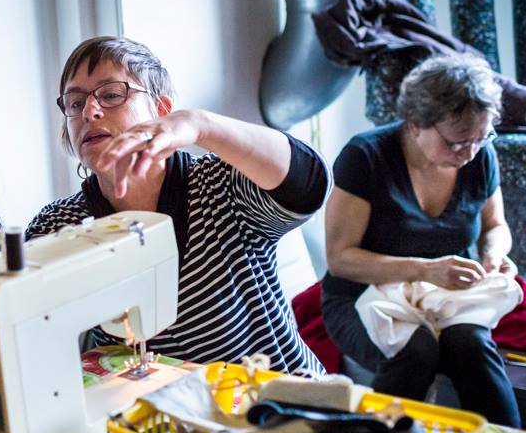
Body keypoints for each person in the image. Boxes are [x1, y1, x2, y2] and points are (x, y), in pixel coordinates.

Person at [26, 36, 328, 374]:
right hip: (161, 422)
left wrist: (200, 125)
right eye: (75, 102)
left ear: (162, 110)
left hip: (284, 407)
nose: (89, 112)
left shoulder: (221, 186)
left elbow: (309, 184)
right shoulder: (59, 226)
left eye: (111, 95)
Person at [322, 55, 521, 425]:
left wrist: (494, 252)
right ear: (415, 125)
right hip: (360, 294)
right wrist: (426, 270)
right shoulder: (365, 157)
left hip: (446, 296)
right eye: (457, 142)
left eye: (481, 138)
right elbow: (340, 259)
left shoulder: (479, 155)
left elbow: (496, 225)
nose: (470, 153)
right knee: (417, 351)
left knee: (473, 347)